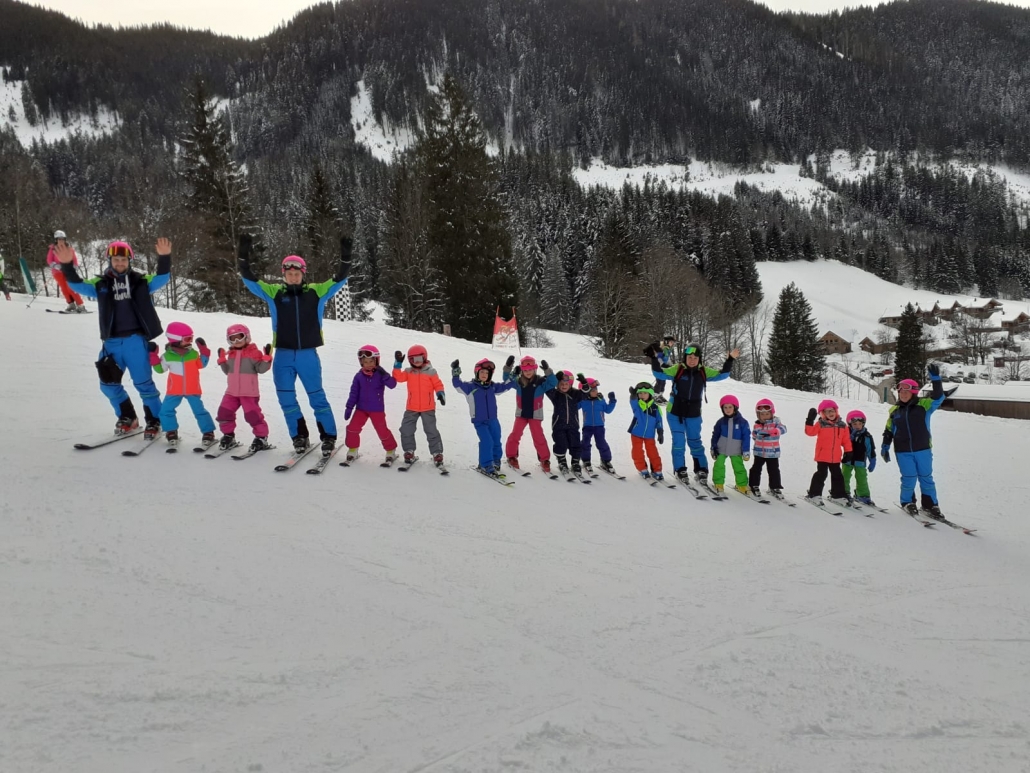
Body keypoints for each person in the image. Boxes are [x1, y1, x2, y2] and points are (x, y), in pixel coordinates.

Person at [239, 234, 350, 456]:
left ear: (302, 274)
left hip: (308, 354)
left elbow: (339, 279)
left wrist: (346, 257)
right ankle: (299, 437)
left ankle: (328, 437)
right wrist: (243, 254)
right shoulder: (274, 293)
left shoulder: (316, 292)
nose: (292, 277)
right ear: (284, 274)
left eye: (296, 273)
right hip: (283, 355)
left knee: (316, 396)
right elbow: (250, 279)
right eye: (289, 274)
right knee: (286, 398)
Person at [56, 238, 169, 438]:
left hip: (135, 341)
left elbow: (162, 278)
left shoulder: (141, 281)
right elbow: (76, 285)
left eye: (123, 260)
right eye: (116, 259)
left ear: (129, 261)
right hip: (112, 343)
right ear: (110, 260)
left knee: (144, 384)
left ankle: (154, 419)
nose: (119, 263)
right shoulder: (100, 284)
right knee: (107, 384)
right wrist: (66, 265)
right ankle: (128, 417)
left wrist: (164, 258)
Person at [654, 343, 739, 486]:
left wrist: (730, 359)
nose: (692, 360)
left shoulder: (703, 371)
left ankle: (701, 469)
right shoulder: (678, 369)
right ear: (685, 357)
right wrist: (654, 358)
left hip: (694, 413)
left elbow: (723, 375)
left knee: (695, 441)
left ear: (699, 359)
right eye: (689, 357)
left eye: (695, 357)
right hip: (675, 412)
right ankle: (680, 469)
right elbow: (659, 373)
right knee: (679, 442)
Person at [881, 366, 946, 518]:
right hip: (903, 451)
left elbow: (938, 397)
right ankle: (907, 502)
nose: (903, 394)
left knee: (926, 477)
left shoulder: (924, 405)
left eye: (906, 392)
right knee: (909, 477)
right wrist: (885, 445)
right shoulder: (894, 411)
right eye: (900, 392)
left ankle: (930, 505)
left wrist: (936, 380)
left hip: (923, 448)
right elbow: (889, 430)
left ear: (914, 392)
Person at [150, 322, 216, 445]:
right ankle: (171, 431)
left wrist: (204, 352)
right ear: (175, 340)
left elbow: (202, 364)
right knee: (165, 411)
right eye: (187, 339)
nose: (190, 341)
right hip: (174, 390)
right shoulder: (167, 356)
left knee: (199, 411)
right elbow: (160, 370)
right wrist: (153, 357)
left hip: (192, 389)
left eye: (191, 338)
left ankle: (208, 432)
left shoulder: (193, 353)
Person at [451, 358, 516, 475]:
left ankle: (495, 461)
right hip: (480, 421)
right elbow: (458, 385)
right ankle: (485, 465)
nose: (484, 375)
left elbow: (504, 387)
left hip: (493, 420)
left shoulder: (492, 387)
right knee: (487, 441)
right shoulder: (470, 387)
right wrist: (456, 373)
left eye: (487, 373)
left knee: (496, 440)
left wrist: (512, 377)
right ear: (476, 373)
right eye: (482, 372)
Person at [215, 323, 273, 453]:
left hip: (249, 393)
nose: (236, 341)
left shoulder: (254, 353)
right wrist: (222, 361)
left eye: (239, 337)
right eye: (232, 338)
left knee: (252, 416)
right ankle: (228, 436)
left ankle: (261, 437)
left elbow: (261, 369)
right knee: (224, 414)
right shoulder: (231, 354)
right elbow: (228, 372)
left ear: (247, 337)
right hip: (231, 392)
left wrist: (266, 359)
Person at [343, 345, 398, 464]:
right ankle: (353, 449)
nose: (368, 364)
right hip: (361, 409)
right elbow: (353, 393)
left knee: (381, 430)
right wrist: (349, 407)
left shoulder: (380, 375)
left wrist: (385, 375)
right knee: (352, 429)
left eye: (371, 361)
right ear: (361, 362)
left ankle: (390, 450)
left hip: (376, 409)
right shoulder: (358, 377)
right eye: (365, 362)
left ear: (376, 361)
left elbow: (392, 385)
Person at [393, 344, 446, 467]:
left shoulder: (431, 372)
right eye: (413, 360)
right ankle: (409, 451)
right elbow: (398, 378)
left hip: (428, 408)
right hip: (412, 407)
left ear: (424, 358)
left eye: (419, 359)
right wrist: (397, 364)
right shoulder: (408, 372)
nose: (416, 362)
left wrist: (440, 393)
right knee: (406, 429)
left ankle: (437, 453)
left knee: (431, 430)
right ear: (410, 361)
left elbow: (438, 384)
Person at [503, 355, 558, 473]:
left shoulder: (541, 382)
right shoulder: (518, 382)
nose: (528, 372)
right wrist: (508, 367)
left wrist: (548, 371)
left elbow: (553, 382)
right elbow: (506, 379)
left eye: (530, 370)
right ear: (522, 370)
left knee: (538, 437)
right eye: (525, 370)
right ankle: (511, 456)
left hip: (535, 415)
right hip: (521, 415)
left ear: (535, 369)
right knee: (515, 435)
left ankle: (544, 459)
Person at [804, 399, 852, 506]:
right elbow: (810, 432)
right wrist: (809, 421)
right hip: (822, 456)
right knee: (821, 474)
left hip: (835, 456)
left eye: (832, 411)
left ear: (836, 411)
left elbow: (846, 440)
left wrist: (848, 451)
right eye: (827, 411)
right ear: (823, 413)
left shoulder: (842, 425)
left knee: (838, 475)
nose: (830, 413)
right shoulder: (821, 424)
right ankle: (814, 494)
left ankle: (838, 495)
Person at [546, 369, 588, 476]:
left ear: (571, 384)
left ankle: (575, 463)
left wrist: (584, 382)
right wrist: (554, 379)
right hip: (558, 425)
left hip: (573, 426)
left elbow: (585, 392)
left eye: (566, 384)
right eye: (561, 384)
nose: (564, 386)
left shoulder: (575, 394)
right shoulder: (555, 395)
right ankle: (562, 462)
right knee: (561, 444)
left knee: (576, 444)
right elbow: (547, 387)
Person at [575, 374, 617, 475]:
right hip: (587, 426)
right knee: (585, 443)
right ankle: (586, 460)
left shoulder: (600, 400)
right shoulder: (583, 401)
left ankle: (606, 461)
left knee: (601, 443)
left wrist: (612, 401)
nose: (596, 392)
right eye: (593, 390)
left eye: (596, 390)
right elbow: (575, 407)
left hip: (599, 427)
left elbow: (608, 410)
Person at [709, 394, 751, 494]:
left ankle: (742, 485)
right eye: (725, 407)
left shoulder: (743, 422)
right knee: (719, 465)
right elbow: (715, 435)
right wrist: (713, 447)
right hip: (721, 448)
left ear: (735, 407)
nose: (727, 409)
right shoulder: (720, 422)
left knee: (739, 467)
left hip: (736, 449)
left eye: (730, 407)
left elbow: (746, 437)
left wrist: (746, 451)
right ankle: (718, 483)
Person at [748, 398, 787, 496]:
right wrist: (756, 438)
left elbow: (783, 429)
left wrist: (776, 431)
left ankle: (775, 487)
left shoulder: (776, 423)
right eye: (762, 414)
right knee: (756, 469)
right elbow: (754, 435)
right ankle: (754, 485)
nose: (765, 416)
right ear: (758, 415)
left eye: (767, 414)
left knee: (774, 470)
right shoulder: (757, 425)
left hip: (772, 453)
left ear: (771, 413)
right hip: (759, 452)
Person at [628, 382, 665, 481]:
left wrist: (660, 431)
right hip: (636, 433)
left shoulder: (655, 407)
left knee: (653, 452)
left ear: (650, 394)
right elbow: (633, 401)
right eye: (640, 393)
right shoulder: (637, 405)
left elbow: (659, 420)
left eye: (645, 393)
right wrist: (632, 395)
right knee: (637, 451)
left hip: (649, 435)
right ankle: (642, 468)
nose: (642, 395)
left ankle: (657, 470)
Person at [843, 410, 877, 505]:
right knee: (844, 476)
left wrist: (872, 460)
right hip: (847, 460)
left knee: (862, 478)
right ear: (850, 424)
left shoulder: (867, 436)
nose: (857, 426)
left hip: (860, 461)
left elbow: (870, 449)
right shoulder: (846, 434)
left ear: (863, 424)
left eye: (859, 424)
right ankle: (843, 492)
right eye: (854, 424)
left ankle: (862, 495)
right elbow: (839, 443)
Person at [46, 230, 87, 312]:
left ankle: (80, 305)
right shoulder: (53, 249)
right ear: (56, 240)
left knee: (71, 287)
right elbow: (49, 260)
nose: (61, 241)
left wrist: (74, 266)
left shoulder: (69, 249)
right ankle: (71, 304)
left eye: (62, 239)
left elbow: (74, 259)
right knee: (64, 288)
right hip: (57, 272)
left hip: (68, 271)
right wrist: (55, 265)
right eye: (59, 239)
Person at [644, 335, 677, 405]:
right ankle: (655, 396)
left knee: (663, 382)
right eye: (671, 342)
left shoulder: (667, 349)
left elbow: (666, 359)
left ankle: (660, 395)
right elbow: (659, 358)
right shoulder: (663, 349)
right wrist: (663, 364)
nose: (672, 344)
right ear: (666, 342)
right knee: (660, 382)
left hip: (662, 370)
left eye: (673, 342)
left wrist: (670, 365)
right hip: (657, 369)